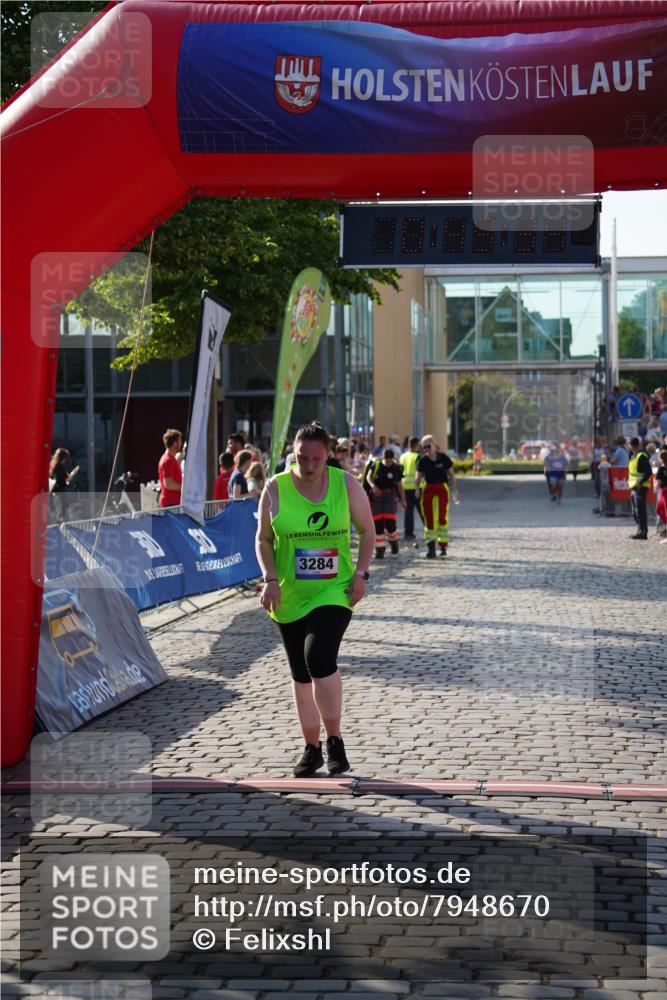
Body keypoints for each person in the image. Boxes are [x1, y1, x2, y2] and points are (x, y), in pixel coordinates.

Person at [256, 421, 375, 777]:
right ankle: (311, 748)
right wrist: (270, 579)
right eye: (301, 457)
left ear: (328, 456)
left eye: (316, 458)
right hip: (289, 593)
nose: (308, 465)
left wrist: (361, 573)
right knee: (300, 673)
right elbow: (262, 538)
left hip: (334, 589)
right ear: (292, 454)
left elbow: (368, 530)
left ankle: (335, 740)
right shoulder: (275, 488)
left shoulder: (346, 485)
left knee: (318, 657)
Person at [415, 435, 460, 558]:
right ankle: (431, 547)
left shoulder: (443, 458)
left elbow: (451, 475)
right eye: (424, 448)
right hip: (428, 489)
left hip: (442, 489)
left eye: (428, 446)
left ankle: (443, 545)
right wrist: (417, 489)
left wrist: (454, 489)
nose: (426, 450)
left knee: (442, 517)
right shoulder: (422, 460)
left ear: (434, 445)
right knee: (429, 518)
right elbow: (418, 477)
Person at [368, 447, 406, 558]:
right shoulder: (376, 465)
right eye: (386, 461)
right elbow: (368, 477)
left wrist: (403, 500)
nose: (388, 463)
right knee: (378, 523)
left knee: (390, 523)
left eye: (390, 461)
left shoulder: (396, 468)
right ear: (383, 458)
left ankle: (394, 542)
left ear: (393, 459)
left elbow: (399, 486)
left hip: (390, 496)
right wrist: (373, 486)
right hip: (377, 496)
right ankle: (380, 550)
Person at [628, 436, 652, 540]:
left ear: (632, 446)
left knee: (640, 511)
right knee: (635, 511)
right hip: (634, 487)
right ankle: (639, 531)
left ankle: (643, 532)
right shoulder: (633, 455)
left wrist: (640, 483)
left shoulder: (641, 456)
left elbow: (648, 472)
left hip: (640, 487)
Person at [399, 436, 422, 541]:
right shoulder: (418, 457)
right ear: (417, 445)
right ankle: (429, 530)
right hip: (417, 487)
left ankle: (408, 533)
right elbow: (421, 473)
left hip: (405, 487)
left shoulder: (402, 456)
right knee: (423, 510)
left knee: (408, 512)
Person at [49, 448, 79, 520]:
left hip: (55, 492)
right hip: (60, 492)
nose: (66, 460)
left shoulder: (54, 466)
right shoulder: (60, 467)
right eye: (65, 458)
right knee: (61, 512)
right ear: (63, 458)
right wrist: (73, 473)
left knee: (59, 511)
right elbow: (65, 479)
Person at [158, 429, 183, 508]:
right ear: (175, 443)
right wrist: (185, 488)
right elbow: (168, 484)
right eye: (180, 441)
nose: (181, 443)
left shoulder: (170, 459)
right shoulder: (168, 460)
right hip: (171, 504)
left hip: (172, 503)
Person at [655, 448, 667, 542]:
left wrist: (655, 489)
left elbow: (658, 482)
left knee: (662, 510)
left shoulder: (661, 469)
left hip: (664, 492)